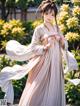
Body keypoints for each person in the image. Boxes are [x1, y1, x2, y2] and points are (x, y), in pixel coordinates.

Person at [0, 0, 78, 106]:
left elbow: (65, 45)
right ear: (42, 13)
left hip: (56, 62)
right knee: (39, 87)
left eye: (52, 14)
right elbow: (33, 47)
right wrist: (44, 47)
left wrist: (61, 40)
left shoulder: (56, 28)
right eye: (47, 13)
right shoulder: (39, 29)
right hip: (43, 62)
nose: (49, 16)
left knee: (54, 86)